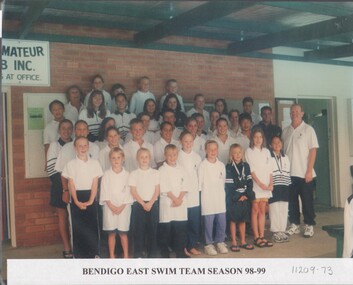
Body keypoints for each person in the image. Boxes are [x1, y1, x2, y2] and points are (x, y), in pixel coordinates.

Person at [61, 136, 103, 258]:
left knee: (92, 226)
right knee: (77, 227)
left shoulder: (95, 163)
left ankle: (94, 253)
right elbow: (71, 184)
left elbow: (95, 182)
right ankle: (79, 255)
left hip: (91, 195)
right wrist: (76, 201)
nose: (83, 148)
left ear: (88, 147)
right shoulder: (71, 164)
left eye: (85, 145)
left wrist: (91, 200)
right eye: (80, 146)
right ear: (75, 148)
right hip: (76, 197)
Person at [282, 103, 319, 238]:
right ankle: (295, 224)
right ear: (290, 113)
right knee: (292, 201)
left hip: (305, 173)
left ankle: (309, 225)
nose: (294, 113)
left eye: (297, 111)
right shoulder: (285, 131)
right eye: (292, 111)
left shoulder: (308, 130)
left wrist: (309, 170)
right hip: (289, 173)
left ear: (302, 113)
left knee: (307, 201)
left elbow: (313, 150)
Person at [55, 120, 100, 206]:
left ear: (88, 131)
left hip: (91, 191)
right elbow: (62, 172)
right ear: (75, 131)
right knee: (74, 218)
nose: (81, 132)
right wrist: (65, 190)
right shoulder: (66, 148)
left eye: (84, 129)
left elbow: (97, 173)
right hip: (73, 191)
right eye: (79, 129)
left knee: (91, 218)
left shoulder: (95, 147)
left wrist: (97, 191)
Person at [46, 119, 73, 258]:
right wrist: (65, 189)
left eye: (69, 128)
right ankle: (67, 247)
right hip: (60, 187)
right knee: (63, 216)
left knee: (74, 218)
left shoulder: (76, 144)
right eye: (63, 128)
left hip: (76, 186)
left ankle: (76, 245)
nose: (66, 131)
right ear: (59, 130)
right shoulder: (54, 145)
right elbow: (51, 170)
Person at [100, 147, 132, 258]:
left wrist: (121, 207)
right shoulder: (106, 175)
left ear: (123, 159)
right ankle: (112, 256)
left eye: (118, 157)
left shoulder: (127, 175)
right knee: (111, 233)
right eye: (113, 158)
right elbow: (104, 192)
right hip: (110, 208)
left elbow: (129, 192)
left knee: (123, 233)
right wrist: (111, 206)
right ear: (109, 159)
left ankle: (126, 256)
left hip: (124, 208)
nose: (116, 160)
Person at [159, 144, 189, 258]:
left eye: (174, 155)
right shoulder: (162, 169)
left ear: (177, 155)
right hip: (168, 203)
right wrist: (174, 199)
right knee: (166, 231)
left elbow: (185, 185)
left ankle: (180, 252)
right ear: (165, 155)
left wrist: (179, 199)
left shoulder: (182, 169)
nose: (172, 157)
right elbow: (164, 187)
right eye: (169, 155)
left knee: (180, 230)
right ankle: (164, 253)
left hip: (180, 203)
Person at [199, 140, 228, 255]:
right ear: (205, 150)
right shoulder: (202, 165)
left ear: (218, 150)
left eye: (215, 149)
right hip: (207, 198)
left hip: (219, 198)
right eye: (210, 149)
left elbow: (223, 182)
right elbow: (200, 184)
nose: (212, 151)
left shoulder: (221, 165)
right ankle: (208, 244)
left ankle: (220, 241)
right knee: (208, 222)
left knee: (221, 221)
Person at [245, 127, 273, 248]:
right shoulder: (249, 151)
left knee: (263, 210)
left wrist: (271, 183)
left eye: (260, 137)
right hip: (256, 185)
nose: (258, 139)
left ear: (263, 138)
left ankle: (262, 236)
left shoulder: (267, 151)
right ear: (252, 138)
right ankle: (256, 237)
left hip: (266, 185)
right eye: (255, 137)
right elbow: (251, 170)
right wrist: (260, 183)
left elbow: (270, 169)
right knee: (255, 210)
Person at [129, 148, 160, 258]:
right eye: (141, 157)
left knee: (152, 230)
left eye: (146, 157)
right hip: (139, 204)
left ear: (150, 158)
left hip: (152, 204)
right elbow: (133, 191)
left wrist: (150, 203)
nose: (144, 159)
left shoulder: (155, 173)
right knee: (139, 230)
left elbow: (157, 190)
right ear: (137, 159)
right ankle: (138, 254)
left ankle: (152, 254)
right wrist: (143, 204)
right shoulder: (133, 173)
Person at [225, 143, 255, 252]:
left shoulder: (246, 166)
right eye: (235, 153)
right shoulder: (228, 167)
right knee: (233, 220)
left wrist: (246, 195)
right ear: (231, 155)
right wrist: (238, 196)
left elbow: (249, 182)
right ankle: (233, 241)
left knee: (243, 220)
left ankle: (243, 241)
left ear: (242, 154)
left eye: (239, 153)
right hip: (234, 198)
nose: (237, 155)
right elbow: (229, 186)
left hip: (245, 198)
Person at [178, 131, 202, 256]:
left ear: (193, 142)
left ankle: (192, 245)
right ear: (181, 142)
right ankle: (182, 247)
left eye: (190, 141)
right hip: (181, 195)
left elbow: (199, 176)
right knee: (183, 223)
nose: (188, 144)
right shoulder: (177, 156)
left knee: (193, 222)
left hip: (193, 194)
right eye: (185, 141)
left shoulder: (197, 157)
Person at [269, 136, 291, 243]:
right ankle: (275, 231)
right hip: (274, 186)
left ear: (281, 144)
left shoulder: (286, 157)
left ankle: (282, 230)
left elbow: (288, 172)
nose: (277, 144)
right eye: (274, 142)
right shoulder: (269, 157)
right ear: (270, 145)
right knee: (274, 208)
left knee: (283, 208)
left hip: (284, 186)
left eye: (279, 142)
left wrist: (288, 185)